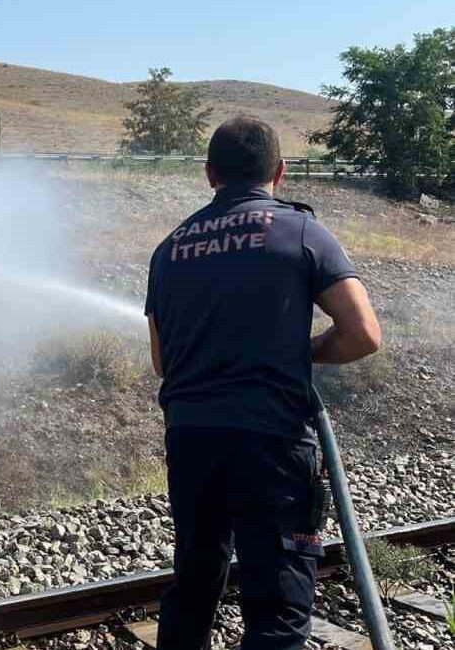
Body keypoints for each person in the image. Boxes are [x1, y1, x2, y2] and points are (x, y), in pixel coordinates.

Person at [145, 116, 381, 650]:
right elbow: (363, 334)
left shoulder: (170, 247)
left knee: (195, 583)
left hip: (192, 440)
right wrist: (304, 353)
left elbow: (163, 362)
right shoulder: (300, 232)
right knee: (276, 606)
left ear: (209, 174)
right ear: (280, 171)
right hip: (271, 441)